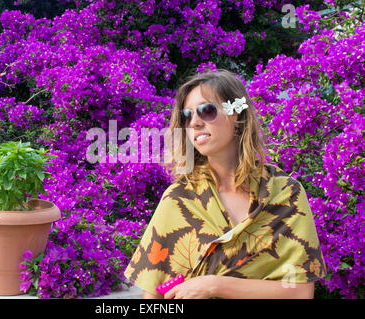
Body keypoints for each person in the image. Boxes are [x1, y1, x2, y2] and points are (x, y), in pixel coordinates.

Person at [123, 69, 327, 299]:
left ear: (237, 116)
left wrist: (214, 285)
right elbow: (153, 296)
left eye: (206, 110)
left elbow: (299, 293)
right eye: (186, 116)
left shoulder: (284, 192)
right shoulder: (180, 199)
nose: (195, 123)